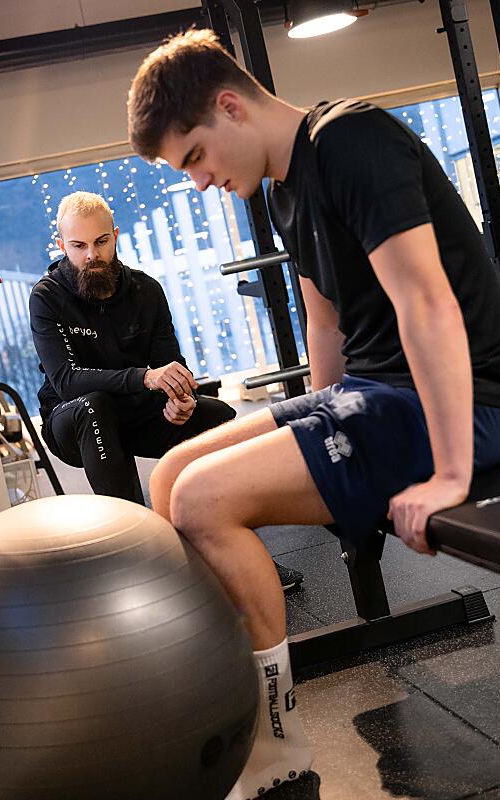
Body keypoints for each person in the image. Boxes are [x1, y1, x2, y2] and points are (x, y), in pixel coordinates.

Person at [127, 30, 500, 799]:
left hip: (460, 403)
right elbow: (326, 326)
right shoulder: (285, 188)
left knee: (203, 499)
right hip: (377, 393)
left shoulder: (351, 141)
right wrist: (312, 435)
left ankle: (274, 744)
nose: (200, 182)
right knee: (172, 475)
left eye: (196, 157)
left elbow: (426, 302)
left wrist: (450, 474)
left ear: (231, 106)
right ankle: (224, 688)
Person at [28, 191, 306, 593]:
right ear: (61, 245)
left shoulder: (146, 290)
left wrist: (180, 399)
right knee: (94, 406)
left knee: (219, 418)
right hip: (75, 422)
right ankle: (138, 567)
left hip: (138, 414)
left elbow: (171, 365)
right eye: (79, 246)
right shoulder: (46, 297)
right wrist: (145, 378)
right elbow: (66, 380)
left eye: (101, 242)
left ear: (115, 236)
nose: (92, 255)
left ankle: (239, 554)